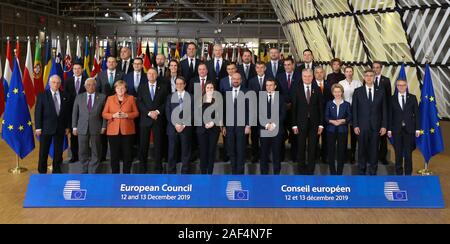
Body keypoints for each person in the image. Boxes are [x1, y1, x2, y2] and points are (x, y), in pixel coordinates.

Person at [352, 69, 388, 176]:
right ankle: (361, 171)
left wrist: (384, 125)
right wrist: (355, 125)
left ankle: (373, 171)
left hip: (376, 126)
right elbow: (354, 110)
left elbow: (384, 110)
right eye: (366, 75)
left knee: (374, 150)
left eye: (371, 76)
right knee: (362, 150)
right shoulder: (358, 91)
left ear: (374, 77)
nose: (368, 77)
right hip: (361, 126)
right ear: (363, 77)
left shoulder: (381, 91)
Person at [35, 75, 70, 174]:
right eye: (54, 82)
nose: (56, 84)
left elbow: (67, 113)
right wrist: (38, 127)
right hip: (46, 128)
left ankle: (57, 171)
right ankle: (42, 172)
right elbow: (38, 112)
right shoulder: (42, 95)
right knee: (43, 152)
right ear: (49, 83)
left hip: (60, 128)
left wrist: (67, 126)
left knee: (58, 153)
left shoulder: (65, 95)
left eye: (58, 83)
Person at [102, 80, 139, 174]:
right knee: (114, 156)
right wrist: (113, 115)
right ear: (115, 89)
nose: (120, 90)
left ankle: (126, 175)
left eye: (122, 88)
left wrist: (127, 115)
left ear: (126, 89)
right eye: (118, 88)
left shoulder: (131, 98)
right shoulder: (110, 99)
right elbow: (104, 114)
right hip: (113, 131)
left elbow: (136, 113)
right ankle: (115, 175)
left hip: (128, 131)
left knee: (127, 155)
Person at [292, 68, 324, 175]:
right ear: (302, 77)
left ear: (312, 77)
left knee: (312, 147)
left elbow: (321, 108)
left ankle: (310, 170)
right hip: (300, 124)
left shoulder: (317, 89)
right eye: (305, 76)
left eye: (309, 76)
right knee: (301, 147)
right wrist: (294, 125)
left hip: (314, 124)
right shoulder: (297, 89)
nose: (307, 78)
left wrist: (321, 124)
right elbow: (294, 109)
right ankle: (301, 170)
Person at [71, 78, 107, 174]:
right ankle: (84, 170)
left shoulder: (102, 97)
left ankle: (93, 171)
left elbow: (105, 113)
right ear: (85, 86)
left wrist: (104, 126)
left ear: (96, 86)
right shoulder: (79, 97)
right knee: (82, 150)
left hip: (96, 127)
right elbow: (75, 113)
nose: (91, 87)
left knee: (96, 150)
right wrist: (74, 127)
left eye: (93, 85)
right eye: (88, 85)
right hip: (82, 128)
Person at [137, 69, 169, 173]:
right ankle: (142, 169)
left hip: (158, 119)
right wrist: (149, 113)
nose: (151, 75)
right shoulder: (142, 87)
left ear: (157, 75)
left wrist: (157, 111)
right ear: (147, 75)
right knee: (143, 145)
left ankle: (158, 169)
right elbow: (139, 102)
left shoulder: (163, 87)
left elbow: (166, 102)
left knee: (158, 145)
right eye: (149, 73)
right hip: (145, 119)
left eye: (154, 73)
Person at [388, 79, 420, 176]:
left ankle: (408, 174)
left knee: (408, 154)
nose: (401, 87)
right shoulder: (391, 99)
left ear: (406, 86)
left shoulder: (413, 98)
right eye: (399, 85)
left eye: (403, 85)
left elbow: (417, 114)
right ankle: (398, 173)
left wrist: (417, 128)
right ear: (396, 87)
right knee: (398, 153)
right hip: (396, 130)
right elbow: (389, 115)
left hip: (409, 130)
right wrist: (389, 129)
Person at [97, 56, 124, 162]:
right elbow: (98, 91)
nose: (111, 63)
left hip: (119, 107)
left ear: (116, 64)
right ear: (106, 63)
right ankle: (103, 156)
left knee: (119, 132)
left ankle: (119, 155)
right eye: (109, 62)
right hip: (104, 107)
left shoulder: (121, 74)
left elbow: (123, 89)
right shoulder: (100, 74)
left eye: (113, 62)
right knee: (103, 133)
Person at [223, 73, 251, 174]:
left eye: (237, 79)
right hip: (229, 127)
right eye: (233, 79)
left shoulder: (247, 92)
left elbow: (250, 110)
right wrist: (224, 126)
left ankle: (240, 173)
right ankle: (233, 172)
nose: (235, 81)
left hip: (242, 127)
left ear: (241, 80)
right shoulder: (226, 92)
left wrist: (248, 125)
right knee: (231, 151)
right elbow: (224, 110)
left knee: (241, 151)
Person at [166, 77, 193, 174]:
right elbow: (168, 112)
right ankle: (171, 173)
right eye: (177, 84)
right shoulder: (170, 97)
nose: (179, 85)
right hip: (173, 128)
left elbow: (193, 112)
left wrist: (183, 124)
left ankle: (185, 173)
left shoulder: (191, 96)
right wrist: (176, 124)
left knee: (186, 152)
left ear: (185, 84)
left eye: (181, 83)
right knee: (172, 152)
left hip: (186, 129)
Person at [259, 79, 286, 175]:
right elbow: (259, 114)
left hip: (277, 129)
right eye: (267, 85)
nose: (268, 87)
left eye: (271, 85)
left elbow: (283, 114)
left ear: (275, 86)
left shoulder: (281, 98)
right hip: (264, 129)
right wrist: (267, 125)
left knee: (277, 153)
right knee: (263, 154)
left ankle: (276, 175)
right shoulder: (261, 98)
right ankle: (264, 175)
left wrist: (274, 125)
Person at [325, 84, 352, 175]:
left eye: (339, 91)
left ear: (342, 92)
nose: (337, 93)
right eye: (335, 92)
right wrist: (332, 121)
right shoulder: (329, 103)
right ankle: (333, 172)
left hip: (342, 130)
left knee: (341, 152)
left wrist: (343, 120)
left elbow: (349, 117)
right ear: (332, 93)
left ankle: (339, 172)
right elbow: (326, 117)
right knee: (331, 151)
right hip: (331, 130)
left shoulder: (347, 104)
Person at [277, 57, 300, 163]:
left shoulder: (299, 76)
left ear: (293, 65)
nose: (287, 67)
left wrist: (292, 104)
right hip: (283, 110)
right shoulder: (279, 76)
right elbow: (278, 93)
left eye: (289, 65)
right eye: (285, 65)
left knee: (295, 135)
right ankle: (280, 156)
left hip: (295, 110)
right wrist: (284, 104)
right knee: (281, 134)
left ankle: (294, 157)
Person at [339, 66, 362, 164]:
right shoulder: (341, 83)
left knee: (354, 133)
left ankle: (352, 154)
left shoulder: (358, 83)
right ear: (344, 73)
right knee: (343, 132)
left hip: (355, 109)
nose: (349, 73)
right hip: (343, 109)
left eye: (350, 71)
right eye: (347, 71)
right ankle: (343, 155)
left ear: (353, 72)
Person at [196, 82, 221, 174]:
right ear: (205, 89)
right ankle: (203, 173)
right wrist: (204, 124)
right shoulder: (199, 100)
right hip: (202, 130)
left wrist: (213, 122)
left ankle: (210, 172)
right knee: (203, 151)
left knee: (211, 152)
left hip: (213, 130)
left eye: (211, 87)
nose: (209, 89)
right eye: (208, 87)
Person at [64, 62, 87, 163]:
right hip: (71, 111)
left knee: (85, 135)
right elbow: (66, 96)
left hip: (85, 112)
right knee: (73, 136)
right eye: (74, 69)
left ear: (82, 69)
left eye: (78, 68)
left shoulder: (87, 80)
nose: (76, 70)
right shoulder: (68, 81)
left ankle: (85, 156)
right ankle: (74, 156)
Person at [373, 61, 392, 165]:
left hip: (382, 113)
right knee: (373, 136)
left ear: (381, 69)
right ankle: (373, 156)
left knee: (383, 137)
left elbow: (388, 97)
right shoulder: (369, 79)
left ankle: (383, 157)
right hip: (372, 113)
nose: (376, 69)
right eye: (374, 67)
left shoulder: (386, 80)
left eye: (377, 67)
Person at [313, 66, 332, 164]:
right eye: (317, 72)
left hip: (326, 116)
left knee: (326, 138)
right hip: (314, 117)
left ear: (324, 74)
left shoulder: (329, 85)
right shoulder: (310, 85)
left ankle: (325, 157)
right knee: (314, 138)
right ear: (314, 74)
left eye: (321, 72)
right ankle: (315, 157)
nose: (319, 74)